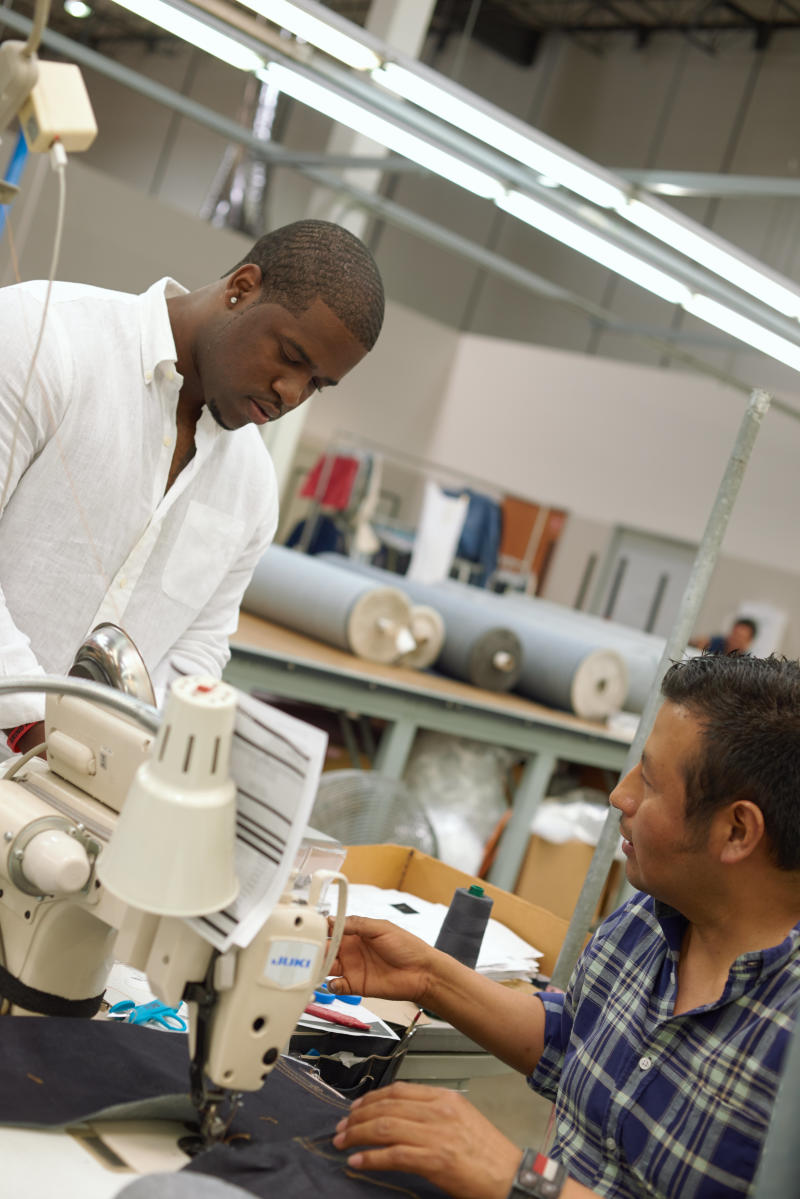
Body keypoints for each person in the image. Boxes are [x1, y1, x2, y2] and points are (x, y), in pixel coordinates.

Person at [328, 653, 800, 1199]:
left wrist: (521, 1179)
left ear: (737, 830)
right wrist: (430, 977)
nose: (619, 796)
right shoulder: (649, 920)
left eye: (648, 782)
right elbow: (572, 1038)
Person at [0, 218, 384, 756]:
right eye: (292, 357)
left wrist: (158, 760)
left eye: (318, 384)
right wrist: (33, 725)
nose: (292, 393)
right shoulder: (44, 338)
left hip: (70, 794)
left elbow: (196, 647)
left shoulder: (251, 488)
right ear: (242, 288)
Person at [690, 615, 757, 655]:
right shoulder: (717, 642)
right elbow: (696, 642)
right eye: (734, 634)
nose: (735, 640)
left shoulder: (746, 663)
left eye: (740, 638)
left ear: (749, 641)